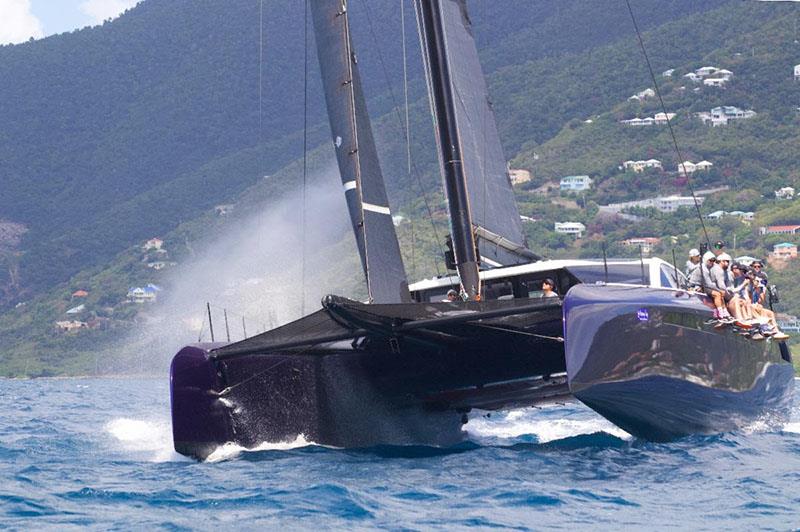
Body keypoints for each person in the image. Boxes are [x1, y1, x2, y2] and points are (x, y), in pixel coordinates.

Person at [689, 251, 734, 323]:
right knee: (717, 294)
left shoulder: (713, 267)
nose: (712, 262)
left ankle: (724, 313)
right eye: (710, 260)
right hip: (696, 286)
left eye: (714, 260)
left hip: (705, 286)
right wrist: (719, 290)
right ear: (705, 260)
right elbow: (708, 283)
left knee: (721, 294)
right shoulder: (703, 269)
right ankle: (720, 314)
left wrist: (722, 290)